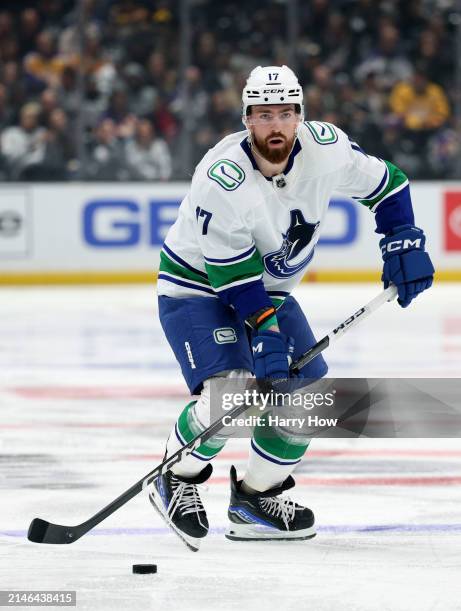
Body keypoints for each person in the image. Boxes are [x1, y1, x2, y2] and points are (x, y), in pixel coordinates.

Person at [153, 65, 434, 551]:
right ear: (246, 120)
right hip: (198, 288)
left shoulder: (327, 150)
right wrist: (264, 335)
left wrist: (402, 239)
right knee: (233, 393)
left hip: (269, 290)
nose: (276, 125)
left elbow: (388, 184)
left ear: (301, 116)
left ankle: (255, 498)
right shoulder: (221, 179)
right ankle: (178, 476)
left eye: (286, 113)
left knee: (306, 394)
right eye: (264, 115)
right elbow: (234, 279)